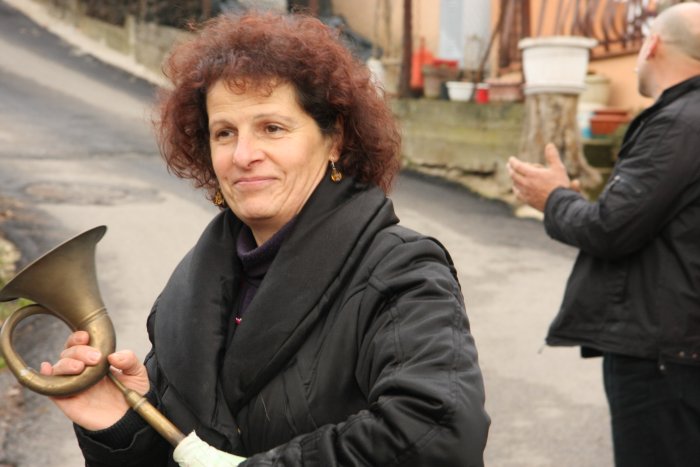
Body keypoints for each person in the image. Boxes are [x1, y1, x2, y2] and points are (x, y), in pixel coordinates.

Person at [39, 10, 490, 466]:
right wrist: (121, 424)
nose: (243, 155)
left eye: (272, 128)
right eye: (224, 133)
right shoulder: (187, 289)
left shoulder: (401, 271)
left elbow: (438, 432)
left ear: (335, 139)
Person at [507, 3, 700, 466]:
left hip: (662, 356)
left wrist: (553, 198)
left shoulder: (678, 123)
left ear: (652, 45)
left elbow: (611, 229)